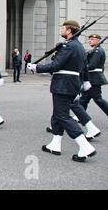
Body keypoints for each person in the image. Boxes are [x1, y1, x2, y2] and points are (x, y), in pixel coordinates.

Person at [28, 20, 97, 162]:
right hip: (72, 84)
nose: (62, 30)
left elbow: (55, 65)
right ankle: (55, 143)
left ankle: (85, 146)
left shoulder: (68, 46)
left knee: (63, 116)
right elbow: (84, 68)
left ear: (70, 30)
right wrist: (85, 81)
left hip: (63, 85)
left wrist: (36, 68)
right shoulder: (79, 47)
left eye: (64, 28)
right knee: (57, 114)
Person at [78, 34, 108, 118]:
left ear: (98, 41)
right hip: (90, 77)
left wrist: (80, 68)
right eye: (89, 39)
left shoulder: (98, 50)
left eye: (92, 39)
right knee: (84, 99)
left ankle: (80, 116)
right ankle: (80, 116)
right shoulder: (93, 50)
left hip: (95, 78)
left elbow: (92, 65)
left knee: (98, 99)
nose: (90, 40)